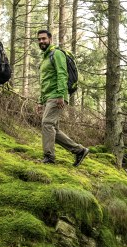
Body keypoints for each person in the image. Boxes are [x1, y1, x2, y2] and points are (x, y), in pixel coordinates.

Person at [36, 29, 89, 166]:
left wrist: (60, 94)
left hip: (57, 95)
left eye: (44, 39)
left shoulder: (57, 53)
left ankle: (49, 157)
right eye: (39, 39)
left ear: (50, 40)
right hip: (48, 97)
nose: (41, 41)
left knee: (47, 124)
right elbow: (45, 81)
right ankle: (79, 151)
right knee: (54, 128)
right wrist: (40, 101)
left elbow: (62, 74)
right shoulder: (45, 58)